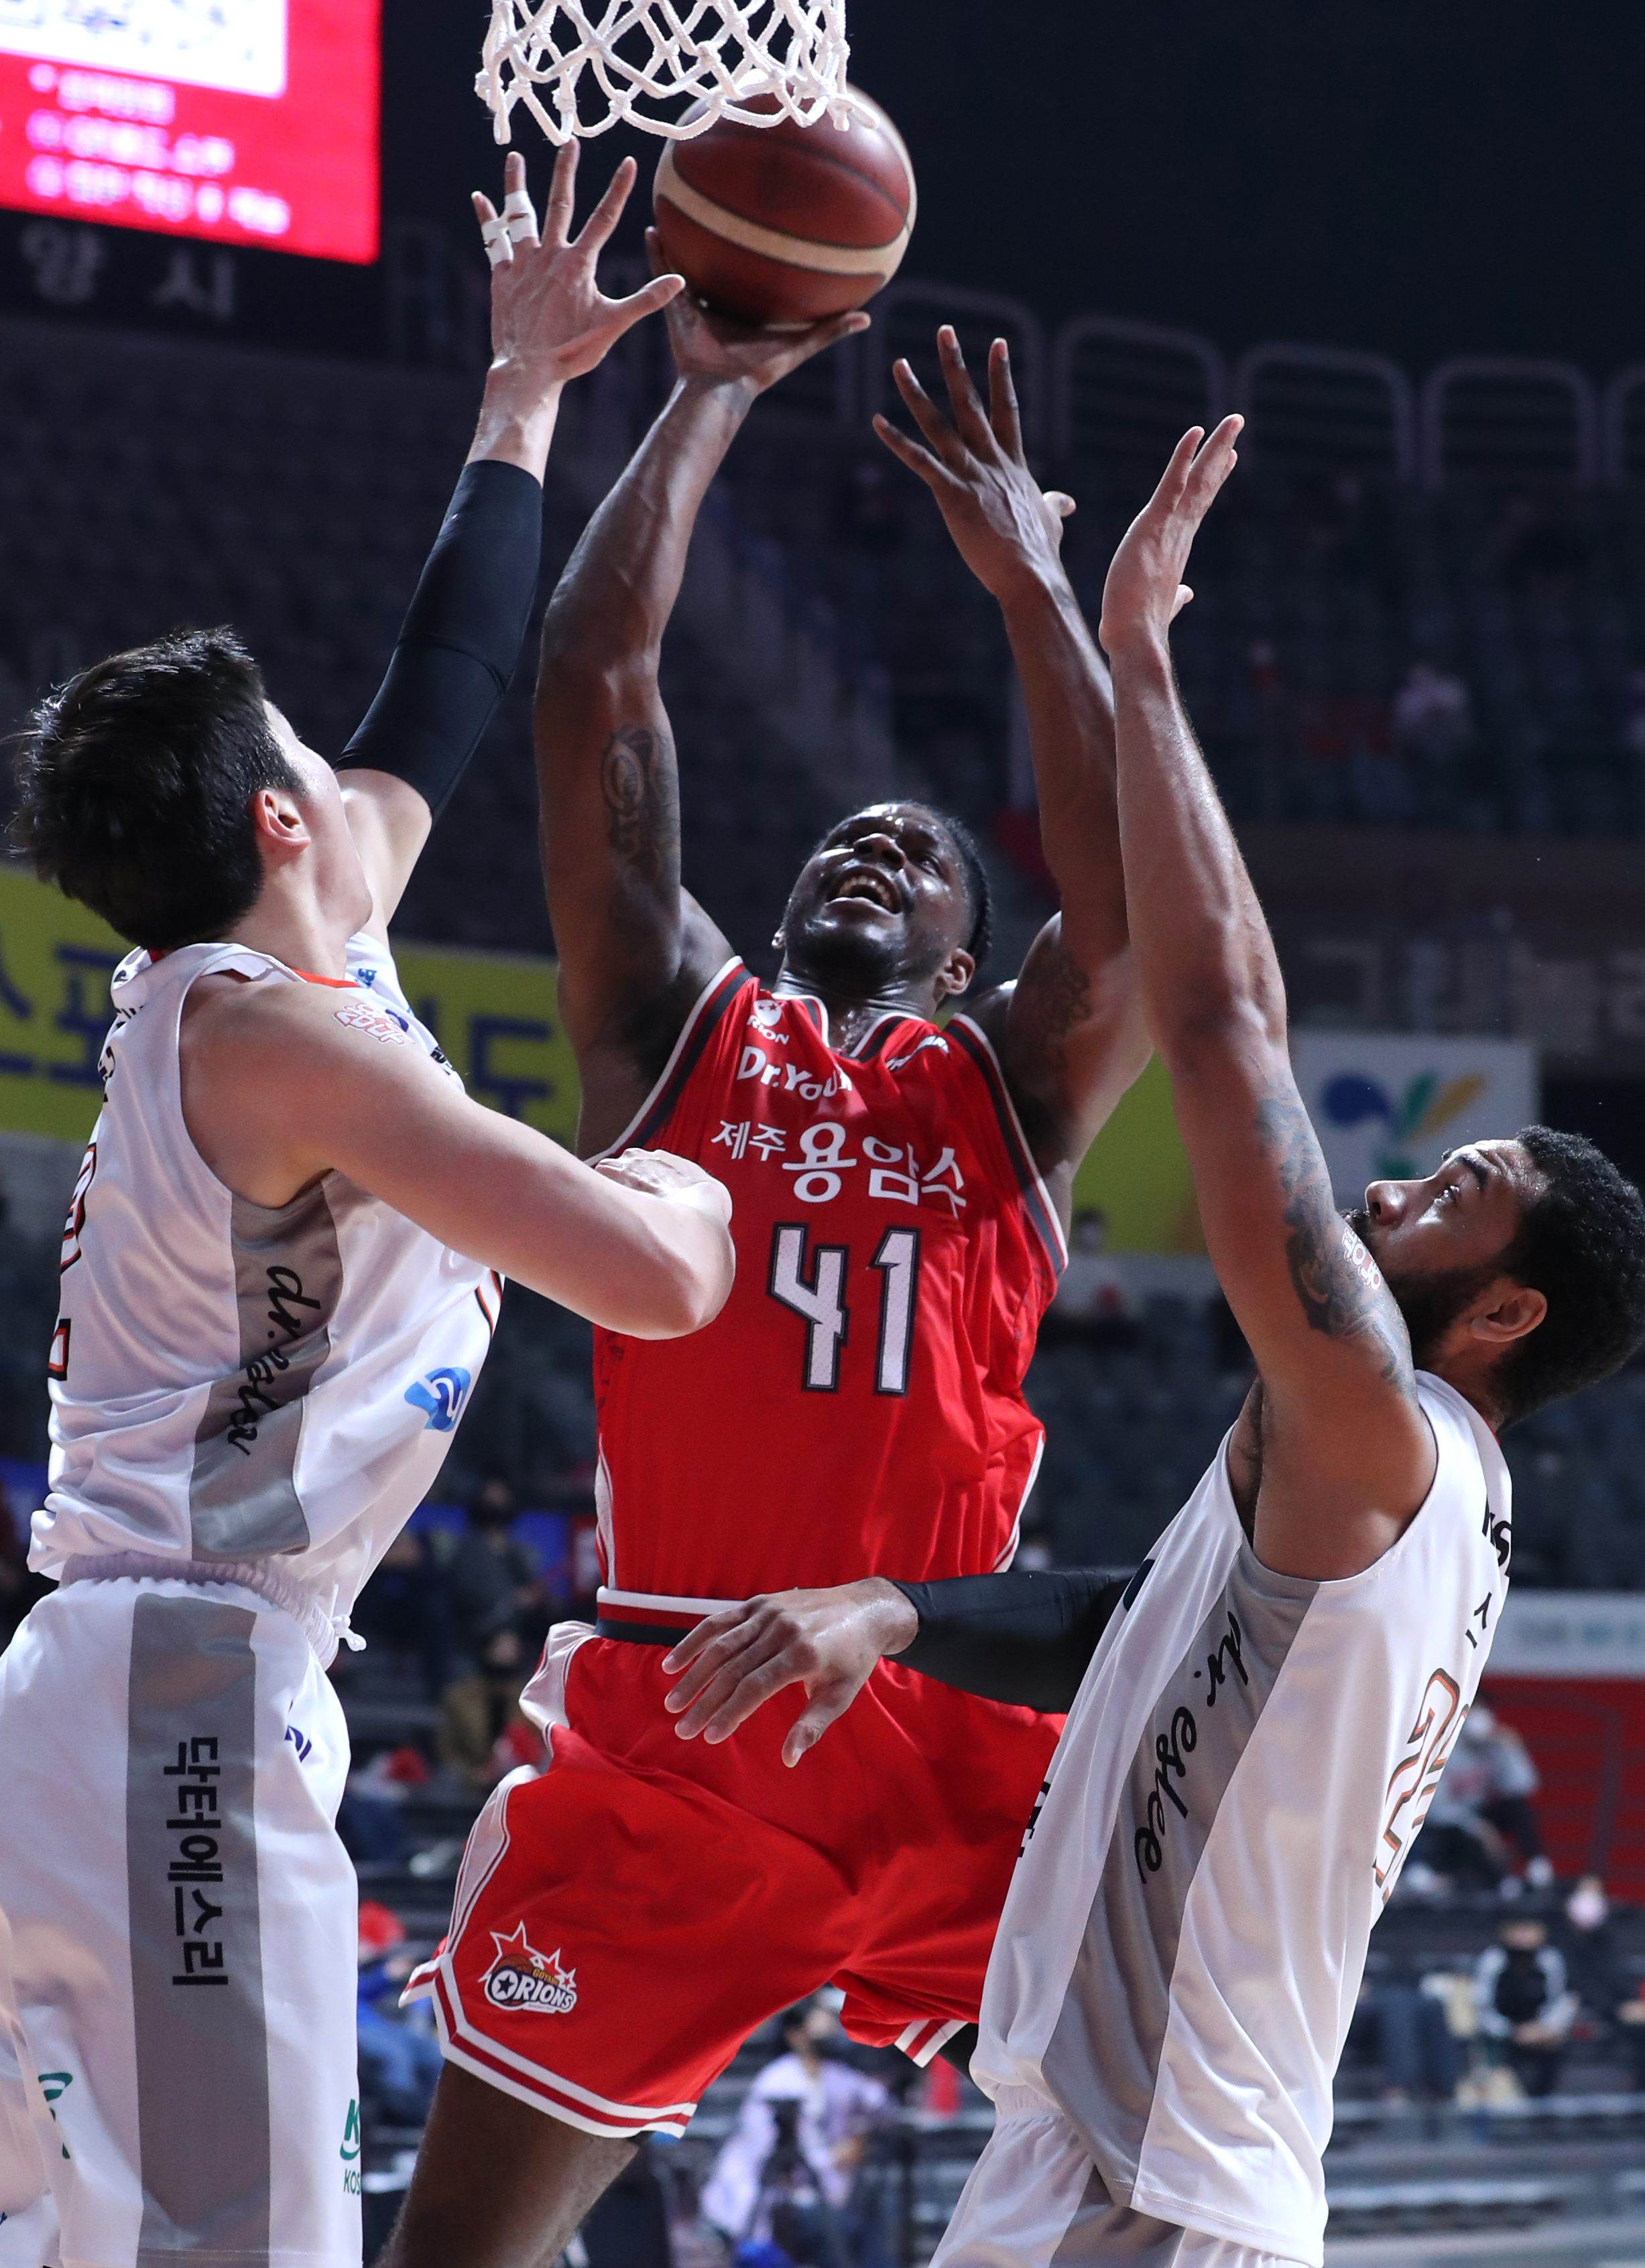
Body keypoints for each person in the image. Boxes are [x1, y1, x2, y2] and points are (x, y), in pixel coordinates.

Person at [657, 417, 1645, 2268]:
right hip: (1116, 2149)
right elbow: (1144, 1621)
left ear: (1502, 1309)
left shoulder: (1373, 1426)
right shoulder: (1386, 1484)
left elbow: (1221, 1025)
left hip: (1158, 2181)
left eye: (1456, 1193)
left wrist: (1127, 647)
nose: (1395, 1190)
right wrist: (896, 1609)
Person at [0, 145, 733, 2268]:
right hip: (181, 1705)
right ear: (275, 817)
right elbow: (655, 1276)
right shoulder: (269, 1038)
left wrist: (521, 390)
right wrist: (710, 1121)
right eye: (319, 763)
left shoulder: (273, 975)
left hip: (157, 1691)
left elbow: (453, 676)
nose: (356, 770)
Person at [385, 320, 1152, 2261]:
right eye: (844, 835)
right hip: (678, 1711)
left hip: (939, 1710)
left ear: (973, 957)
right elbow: (594, 687)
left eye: (920, 854)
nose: (876, 845)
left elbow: (1133, 899)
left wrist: (1029, 586)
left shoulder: (1010, 1088)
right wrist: (712, 384)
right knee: (458, 2250)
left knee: (1172, 2174)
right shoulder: (677, 1024)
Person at [700, 2003, 891, 2257]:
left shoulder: (836, 2075)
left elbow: (881, 2104)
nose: (826, 2030)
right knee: (848, 2236)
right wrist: (833, 2157)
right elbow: (773, 2156)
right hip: (767, 2200)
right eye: (816, 2023)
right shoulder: (776, 2081)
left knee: (873, 2218)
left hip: (821, 2196)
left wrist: (861, 2133)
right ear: (795, 2034)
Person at [1473, 1918, 1575, 2098]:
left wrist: (1543, 2029)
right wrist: (1512, 2031)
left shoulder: (1550, 1960)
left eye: (1529, 1928)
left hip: (1541, 2034)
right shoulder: (1493, 1960)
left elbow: (1561, 2001)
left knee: (1554, 2051)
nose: (1524, 1935)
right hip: (1502, 2036)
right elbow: (1483, 2008)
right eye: (1518, 1928)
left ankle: (1546, 2105)